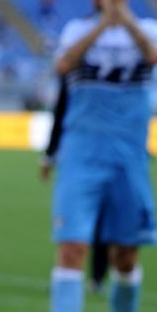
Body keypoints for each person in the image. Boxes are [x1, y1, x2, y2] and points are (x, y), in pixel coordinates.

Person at [49, 0, 157, 312]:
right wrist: (104, 22)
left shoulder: (150, 29)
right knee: (71, 249)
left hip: (128, 158)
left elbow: (154, 56)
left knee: (126, 256)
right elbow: (63, 65)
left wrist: (122, 16)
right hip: (80, 156)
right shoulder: (76, 29)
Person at [40, 77, 109, 295]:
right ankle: (66, 275)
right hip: (77, 159)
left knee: (103, 224)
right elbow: (60, 112)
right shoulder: (74, 72)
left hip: (111, 157)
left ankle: (97, 278)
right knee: (70, 227)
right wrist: (49, 155)